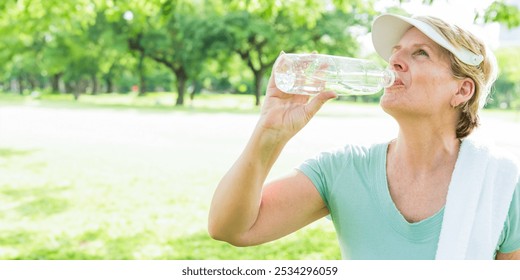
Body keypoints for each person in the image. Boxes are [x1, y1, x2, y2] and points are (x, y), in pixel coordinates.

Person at [208, 13, 520, 260]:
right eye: (395, 53)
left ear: (462, 90)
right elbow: (231, 228)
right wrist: (269, 133)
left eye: (420, 53)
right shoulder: (343, 169)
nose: (394, 62)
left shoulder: (502, 183)